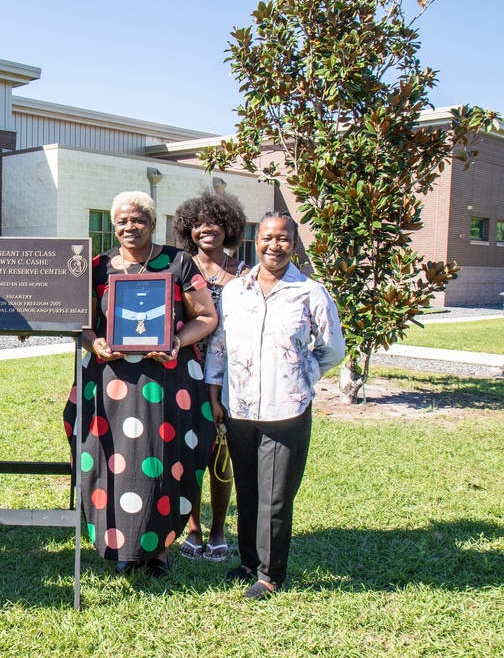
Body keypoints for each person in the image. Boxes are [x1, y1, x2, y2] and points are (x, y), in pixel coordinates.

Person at [62, 190, 218, 576]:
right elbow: (79, 322)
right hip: (109, 380)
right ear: (113, 226)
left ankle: (159, 553)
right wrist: (94, 341)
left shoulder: (179, 262)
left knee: (163, 458)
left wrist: (178, 342)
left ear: (151, 222)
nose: (129, 227)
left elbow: (206, 316)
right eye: (121, 221)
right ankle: (122, 548)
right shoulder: (96, 267)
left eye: (138, 220)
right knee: (111, 459)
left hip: (167, 382)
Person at [205, 211, 345, 600]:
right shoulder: (235, 291)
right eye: (267, 237)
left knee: (277, 495)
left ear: (294, 244)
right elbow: (220, 348)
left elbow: (333, 348)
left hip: (288, 409)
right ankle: (248, 561)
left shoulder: (310, 292)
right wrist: (215, 397)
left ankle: (270, 574)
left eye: (283, 238)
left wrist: (303, 373)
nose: (274, 245)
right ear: (256, 241)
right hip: (240, 409)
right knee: (249, 489)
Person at [171, 191, 250, 562]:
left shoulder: (246, 273)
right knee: (187, 452)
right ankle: (193, 528)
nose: (207, 229)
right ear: (188, 229)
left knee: (221, 453)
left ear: (229, 227)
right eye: (198, 223)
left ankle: (218, 528)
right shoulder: (177, 268)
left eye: (215, 222)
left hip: (231, 375)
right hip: (183, 371)